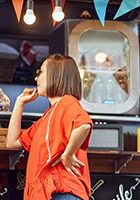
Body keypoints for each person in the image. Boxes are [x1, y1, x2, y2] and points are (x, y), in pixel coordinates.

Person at [6, 54, 93, 200]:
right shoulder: (46, 117)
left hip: (62, 192)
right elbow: (12, 143)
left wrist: (68, 154)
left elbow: (84, 125)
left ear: (55, 74)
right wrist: (19, 104)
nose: (36, 78)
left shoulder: (67, 102)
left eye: (40, 72)